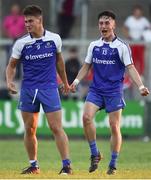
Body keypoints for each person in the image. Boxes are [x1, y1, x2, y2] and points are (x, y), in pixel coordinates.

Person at [71, 11, 149, 175]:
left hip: (114, 91)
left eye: (107, 23)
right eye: (101, 23)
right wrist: (76, 82)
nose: (103, 26)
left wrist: (141, 86)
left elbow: (131, 67)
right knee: (86, 118)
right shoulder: (94, 45)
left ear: (113, 25)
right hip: (96, 90)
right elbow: (86, 66)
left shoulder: (122, 46)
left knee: (114, 126)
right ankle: (95, 154)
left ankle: (112, 164)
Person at [6, 5, 72, 175]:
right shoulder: (21, 43)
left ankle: (66, 166)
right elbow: (11, 66)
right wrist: (9, 81)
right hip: (28, 90)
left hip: (49, 88)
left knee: (56, 128)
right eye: (25, 21)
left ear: (40, 20)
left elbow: (59, 62)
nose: (27, 24)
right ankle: (34, 165)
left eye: (30, 21)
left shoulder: (54, 39)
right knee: (29, 129)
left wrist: (65, 82)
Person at [3, 3, 25, 79]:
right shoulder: (8, 18)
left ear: (19, 10)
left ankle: (17, 75)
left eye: (16, 9)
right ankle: (7, 76)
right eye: (14, 9)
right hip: (9, 41)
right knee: (9, 58)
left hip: (18, 41)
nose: (15, 11)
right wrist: (8, 34)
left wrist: (20, 35)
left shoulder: (22, 19)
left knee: (18, 59)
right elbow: (4, 29)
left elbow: (26, 29)